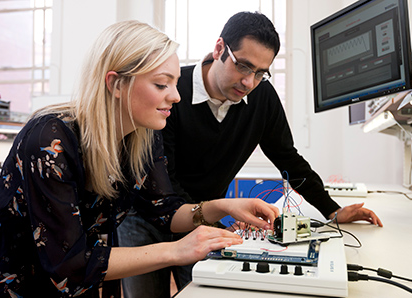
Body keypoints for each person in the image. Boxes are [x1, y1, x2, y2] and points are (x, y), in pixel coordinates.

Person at [0, 20, 279, 298]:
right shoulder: (49, 140)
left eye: (174, 83)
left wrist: (221, 206)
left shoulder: (141, 136)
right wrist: (175, 250)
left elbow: (166, 211)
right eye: (161, 84)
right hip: (10, 280)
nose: (176, 96)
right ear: (116, 83)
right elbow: (69, 263)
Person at [118, 11, 384, 298]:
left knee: (200, 291)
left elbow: (288, 159)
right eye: (243, 66)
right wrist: (219, 211)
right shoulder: (171, 93)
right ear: (219, 49)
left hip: (203, 218)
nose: (249, 82)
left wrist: (332, 210)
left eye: (260, 72)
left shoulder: (262, 97)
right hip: (145, 217)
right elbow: (164, 183)